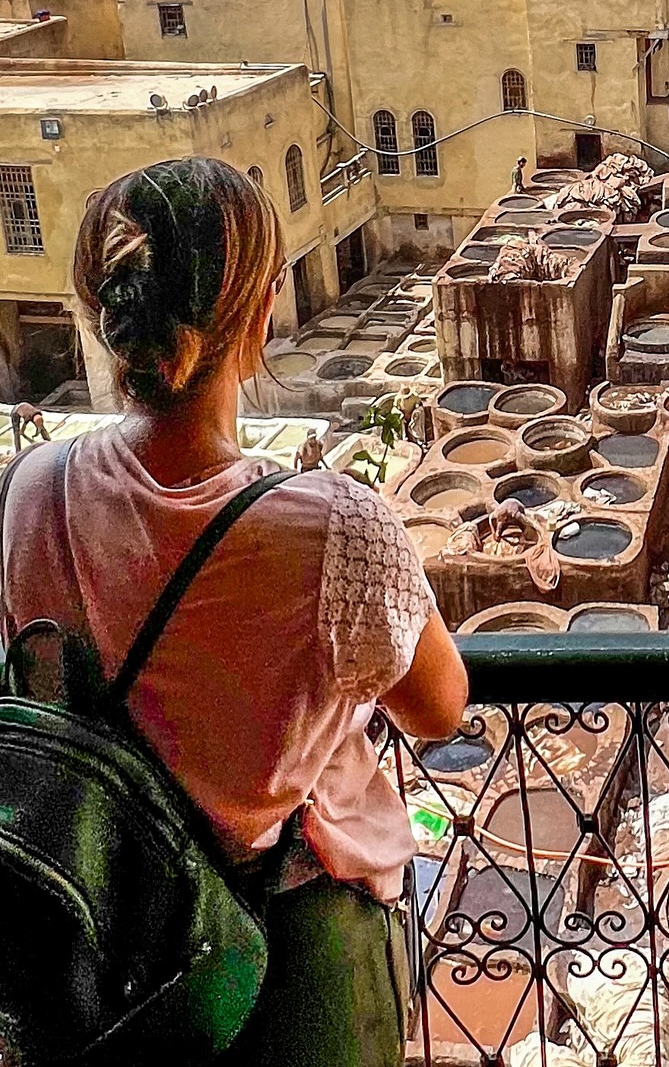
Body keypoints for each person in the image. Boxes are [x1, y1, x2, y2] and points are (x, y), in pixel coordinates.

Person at [0, 159, 468, 1066]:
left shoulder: (25, 492)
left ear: (105, 312)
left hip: (91, 943)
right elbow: (439, 706)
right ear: (256, 316)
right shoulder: (332, 526)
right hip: (287, 954)